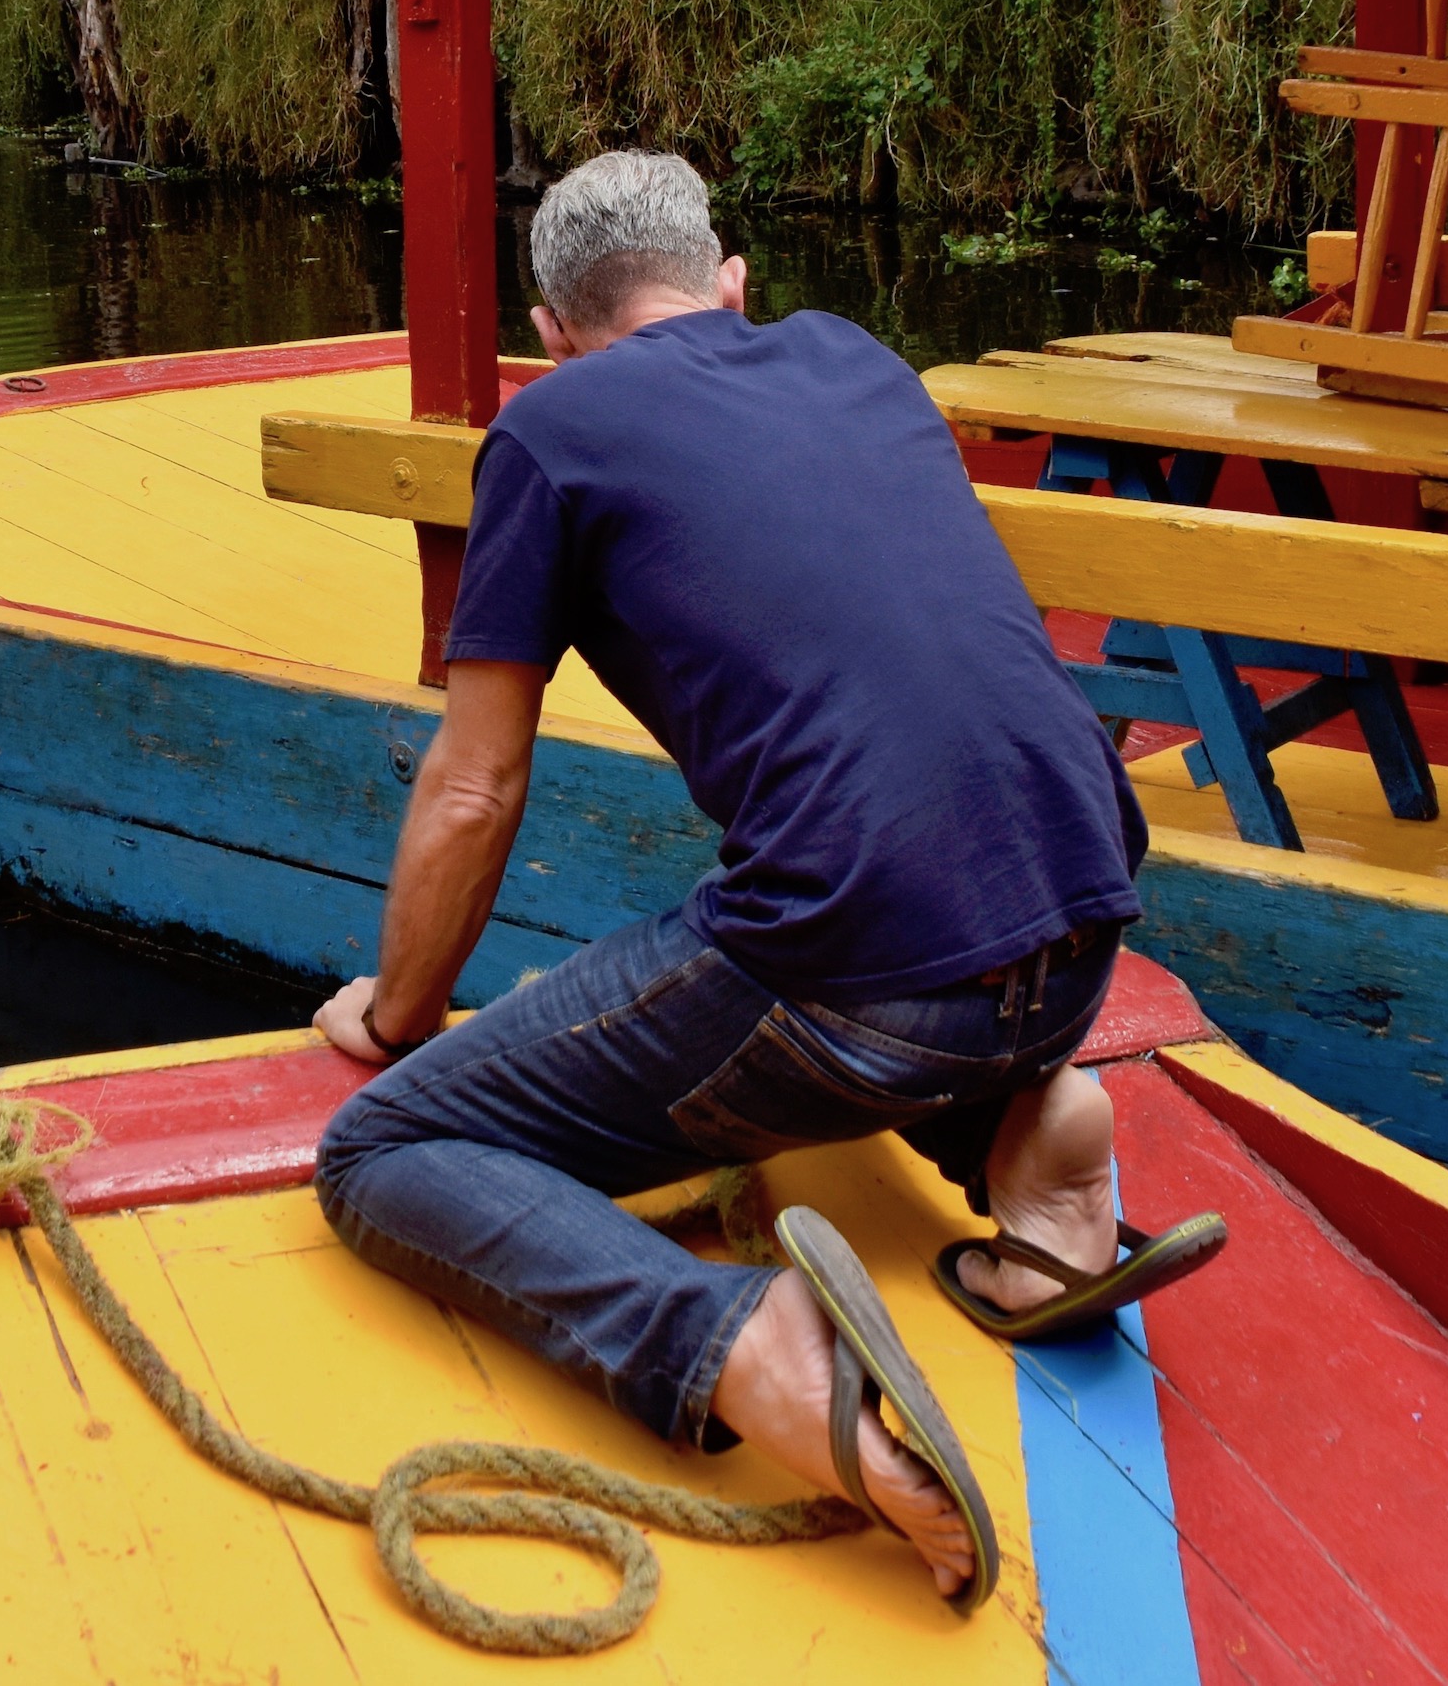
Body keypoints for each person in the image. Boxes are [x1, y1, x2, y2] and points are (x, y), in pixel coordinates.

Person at [312, 150, 1224, 1613]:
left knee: (380, 1156)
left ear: (550, 333)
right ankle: (1034, 1144)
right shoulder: (854, 358)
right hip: (1081, 913)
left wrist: (399, 1016)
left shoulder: (548, 436)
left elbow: (478, 783)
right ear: (732, 286)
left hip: (876, 978)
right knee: (856, 908)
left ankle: (743, 1347)